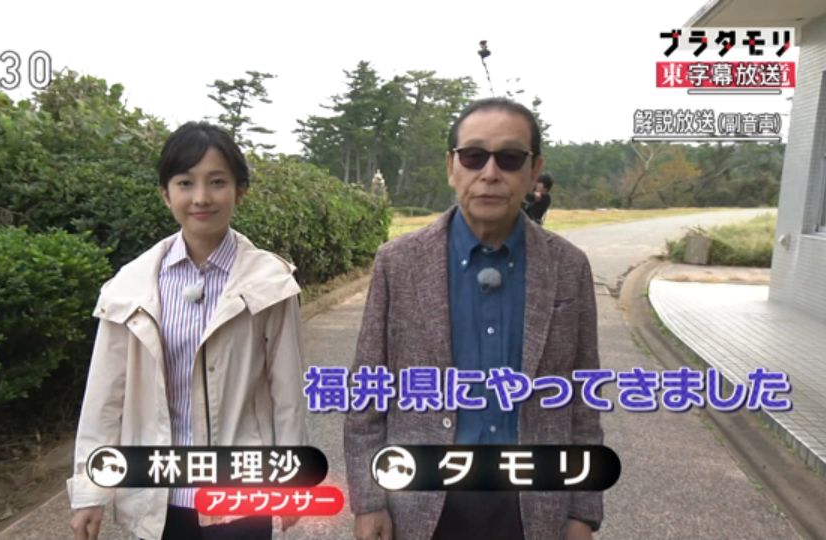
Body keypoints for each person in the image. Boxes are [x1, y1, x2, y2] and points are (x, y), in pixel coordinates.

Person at [344, 98, 602, 540]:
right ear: (452, 166)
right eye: (474, 156)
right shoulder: (398, 262)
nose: (490, 173)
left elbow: (583, 397)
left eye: (510, 158)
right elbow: (368, 390)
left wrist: (582, 509)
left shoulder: (568, 266)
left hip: (533, 504)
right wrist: (369, 500)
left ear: (534, 170)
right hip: (420, 502)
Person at [67, 121, 308, 540]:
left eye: (217, 182)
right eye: (185, 183)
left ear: (239, 191)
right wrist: (91, 489)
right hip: (158, 496)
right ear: (166, 193)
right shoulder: (131, 285)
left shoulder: (270, 282)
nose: (201, 197)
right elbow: (106, 395)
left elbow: (287, 391)